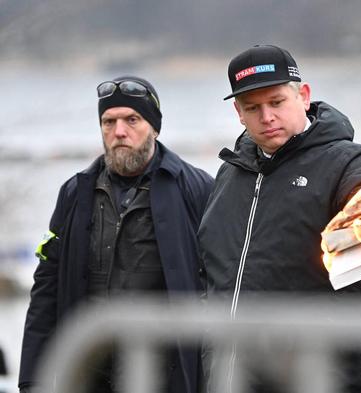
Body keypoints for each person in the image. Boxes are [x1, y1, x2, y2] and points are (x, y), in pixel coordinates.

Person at [198, 44, 361, 393]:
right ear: (238, 114)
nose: (267, 116)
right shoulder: (229, 175)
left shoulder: (348, 162)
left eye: (276, 102)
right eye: (252, 107)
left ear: (303, 96)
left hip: (321, 379)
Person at [18, 76, 214, 393]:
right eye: (109, 122)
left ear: (154, 127)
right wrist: (32, 380)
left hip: (164, 374)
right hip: (88, 369)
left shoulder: (195, 188)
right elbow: (46, 288)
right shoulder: (75, 192)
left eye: (132, 120)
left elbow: (218, 284)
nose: (119, 132)